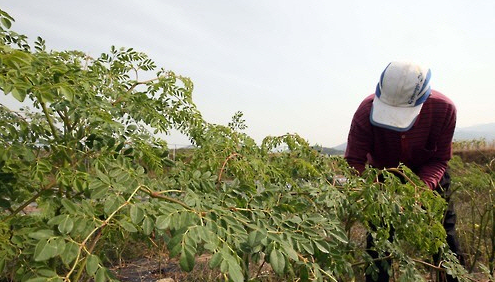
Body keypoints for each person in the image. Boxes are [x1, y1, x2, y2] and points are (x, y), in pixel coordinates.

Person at [344, 61, 464, 282]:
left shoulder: (443, 109)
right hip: (381, 181)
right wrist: (373, 195)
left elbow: (439, 159)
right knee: (379, 248)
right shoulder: (365, 112)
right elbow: (354, 162)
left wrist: (418, 192)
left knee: (445, 243)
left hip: (429, 178)